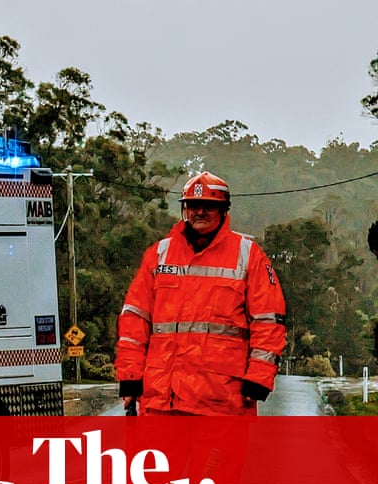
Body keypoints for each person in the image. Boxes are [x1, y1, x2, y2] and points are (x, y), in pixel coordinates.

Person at [115, 171, 287, 416]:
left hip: (221, 403)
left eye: (208, 206)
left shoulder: (248, 255)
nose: (200, 212)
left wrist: (259, 378)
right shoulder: (159, 254)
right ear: (184, 210)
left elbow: (269, 322)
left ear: (223, 210)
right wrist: (130, 378)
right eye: (193, 205)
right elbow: (134, 321)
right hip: (162, 403)